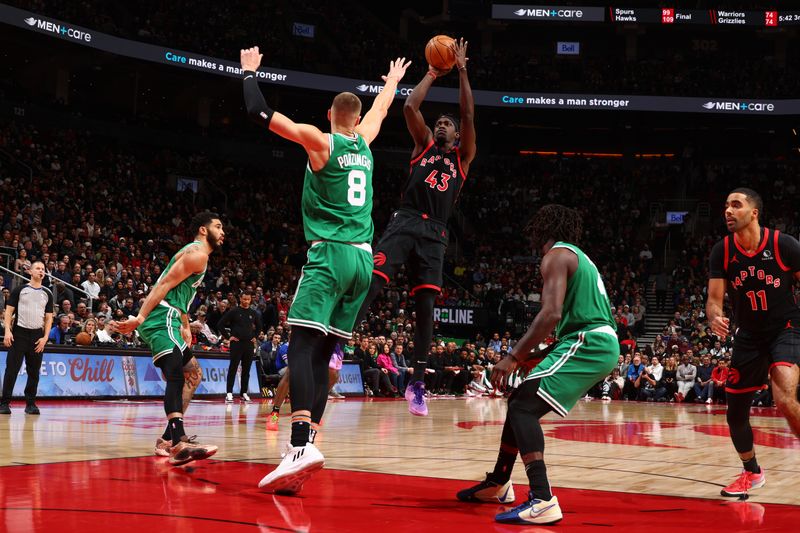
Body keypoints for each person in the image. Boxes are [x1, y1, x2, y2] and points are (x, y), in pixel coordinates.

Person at [240, 45, 411, 493]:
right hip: (362, 259)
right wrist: (392, 81)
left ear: (330, 114)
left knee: (299, 345)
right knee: (322, 355)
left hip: (331, 254)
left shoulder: (322, 141)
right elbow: (381, 109)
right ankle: (308, 444)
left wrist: (248, 74)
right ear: (355, 120)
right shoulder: (365, 142)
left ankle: (297, 447)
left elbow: (260, 114)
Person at [457, 205, 618, 526]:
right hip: (589, 340)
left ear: (541, 229)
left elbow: (551, 314)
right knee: (519, 400)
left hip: (590, 341)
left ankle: (542, 499)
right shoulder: (577, 256)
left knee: (523, 409)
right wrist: (535, 354)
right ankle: (500, 482)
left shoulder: (556, 256)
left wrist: (514, 355)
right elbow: (567, 321)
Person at [355, 38, 475, 417]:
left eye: (447, 124)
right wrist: (432, 73)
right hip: (405, 221)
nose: (441, 126)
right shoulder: (422, 144)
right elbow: (409, 105)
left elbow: (469, 117)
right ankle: (340, 345)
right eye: (438, 122)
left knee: (426, 306)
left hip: (436, 233)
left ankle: (418, 383)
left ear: (455, 136)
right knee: (374, 278)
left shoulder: (463, 158)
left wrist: (462, 71)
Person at [707, 187, 800, 497]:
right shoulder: (722, 250)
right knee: (735, 414)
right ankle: (752, 472)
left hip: (784, 327)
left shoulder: (783, 245)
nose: (728, 211)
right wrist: (714, 316)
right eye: (726, 205)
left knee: (784, 394)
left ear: (754, 213)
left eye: (736, 205)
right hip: (747, 334)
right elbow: (714, 300)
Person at [113, 212, 223, 466]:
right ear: (203, 230)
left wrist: (185, 324)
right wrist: (139, 319)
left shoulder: (196, 254)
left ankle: (166, 439)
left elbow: (179, 292)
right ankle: (178, 441)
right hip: (161, 317)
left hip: (172, 318)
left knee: (193, 374)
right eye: (218, 226)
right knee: (175, 375)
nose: (223, 231)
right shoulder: (198, 254)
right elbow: (163, 285)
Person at [1, 261, 54, 415]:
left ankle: (30, 404)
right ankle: (4, 403)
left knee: (34, 372)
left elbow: (49, 318)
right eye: (38, 268)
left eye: (43, 269)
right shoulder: (20, 290)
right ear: (30, 272)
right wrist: (7, 332)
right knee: (11, 370)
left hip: (37, 336)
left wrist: (45, 338)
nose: (41, 271)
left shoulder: (47, 293)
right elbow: (8, 312)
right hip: (19, 334)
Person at [266, 343, 344, 431]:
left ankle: (313, 411)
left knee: (333, 374)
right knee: (292, 371)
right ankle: (275, 412)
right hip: (308, 333)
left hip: (331, 334)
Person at [217, 290, 260, 403]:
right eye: (244, 299)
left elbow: (260, 326)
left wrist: (255, 336)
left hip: (249, 344)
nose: (246, 301)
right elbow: (220, 324)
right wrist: (228, 337)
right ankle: (229, 393)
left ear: (251, 300)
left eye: (248, 299)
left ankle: (244, 393)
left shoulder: (253, 313)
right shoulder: (234, 311)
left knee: (246, 370)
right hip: (237, 343)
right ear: (240, 298)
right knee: (233, 368)